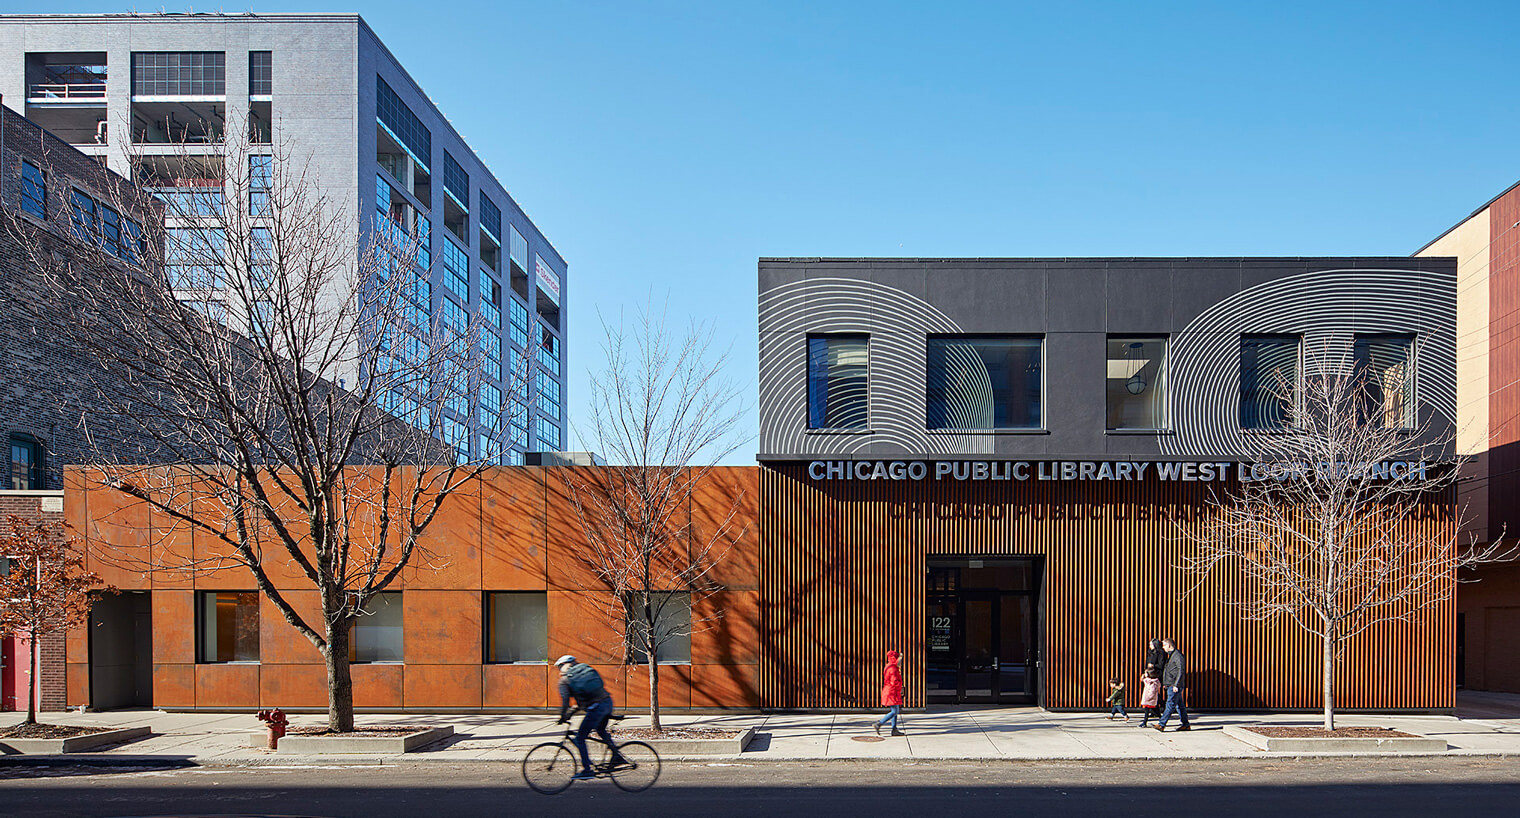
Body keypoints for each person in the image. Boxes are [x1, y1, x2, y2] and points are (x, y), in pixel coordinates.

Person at [555, 655, 626, 779]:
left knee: (580, 738)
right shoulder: (585, 671)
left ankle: (587, 770)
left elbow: (565, 701)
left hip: (596, 708)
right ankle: (617, 755)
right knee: (600, 730)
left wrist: (563, 717)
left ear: (562, 667)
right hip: (607, 702)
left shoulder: (565, 680)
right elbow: (585, 698)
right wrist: (571, 713)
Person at [1152, 638, 1192, 732]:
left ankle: (1161, 724)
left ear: (1169, 646)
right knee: (1180, 706)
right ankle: (1186, 724)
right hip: (1171, 684)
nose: (1163, 647)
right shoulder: (1171, 655)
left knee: (1170, 704)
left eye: (1164, 645)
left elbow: (1180, 671)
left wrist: (1176, 685)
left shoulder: (1177, 656)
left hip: (1174, 686)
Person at [874, 649, 905, 736]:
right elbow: (894, 681)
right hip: (892, 691)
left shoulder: (889, 666)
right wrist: (900, 685)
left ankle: (894, 729)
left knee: (895, 710)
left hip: (890, 691)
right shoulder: (893, 668)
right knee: (895, 711)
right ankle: (879, 724)